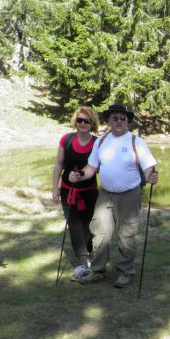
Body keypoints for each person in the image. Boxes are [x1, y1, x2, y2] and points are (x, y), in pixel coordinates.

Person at [68, 103, 158, 288]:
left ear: (128, 122)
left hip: (129, 195)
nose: (119, 121)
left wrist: (151, 176)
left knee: (127, 235)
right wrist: (80, 175)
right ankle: (98, 270)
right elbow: (92, 167)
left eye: (123, 118)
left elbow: (148, 167)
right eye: (115, 118)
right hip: (105, 194)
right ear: (108, 121)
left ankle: (126, 272)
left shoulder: (136, 141)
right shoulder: (101, 141)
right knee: (100, 232)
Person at [52, 106, 100, 281]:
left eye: (86, 120)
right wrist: (55, 188)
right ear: (75, 122)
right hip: (68, 191)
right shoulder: (66, 140)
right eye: (79, 120)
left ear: (92, 122)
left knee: (88, 226)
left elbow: (99, 167)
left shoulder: (97, 143)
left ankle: (90, 255)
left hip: (89, 192)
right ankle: (83, 262)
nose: (83, 123)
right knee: (74, 226)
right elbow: (58, 164)